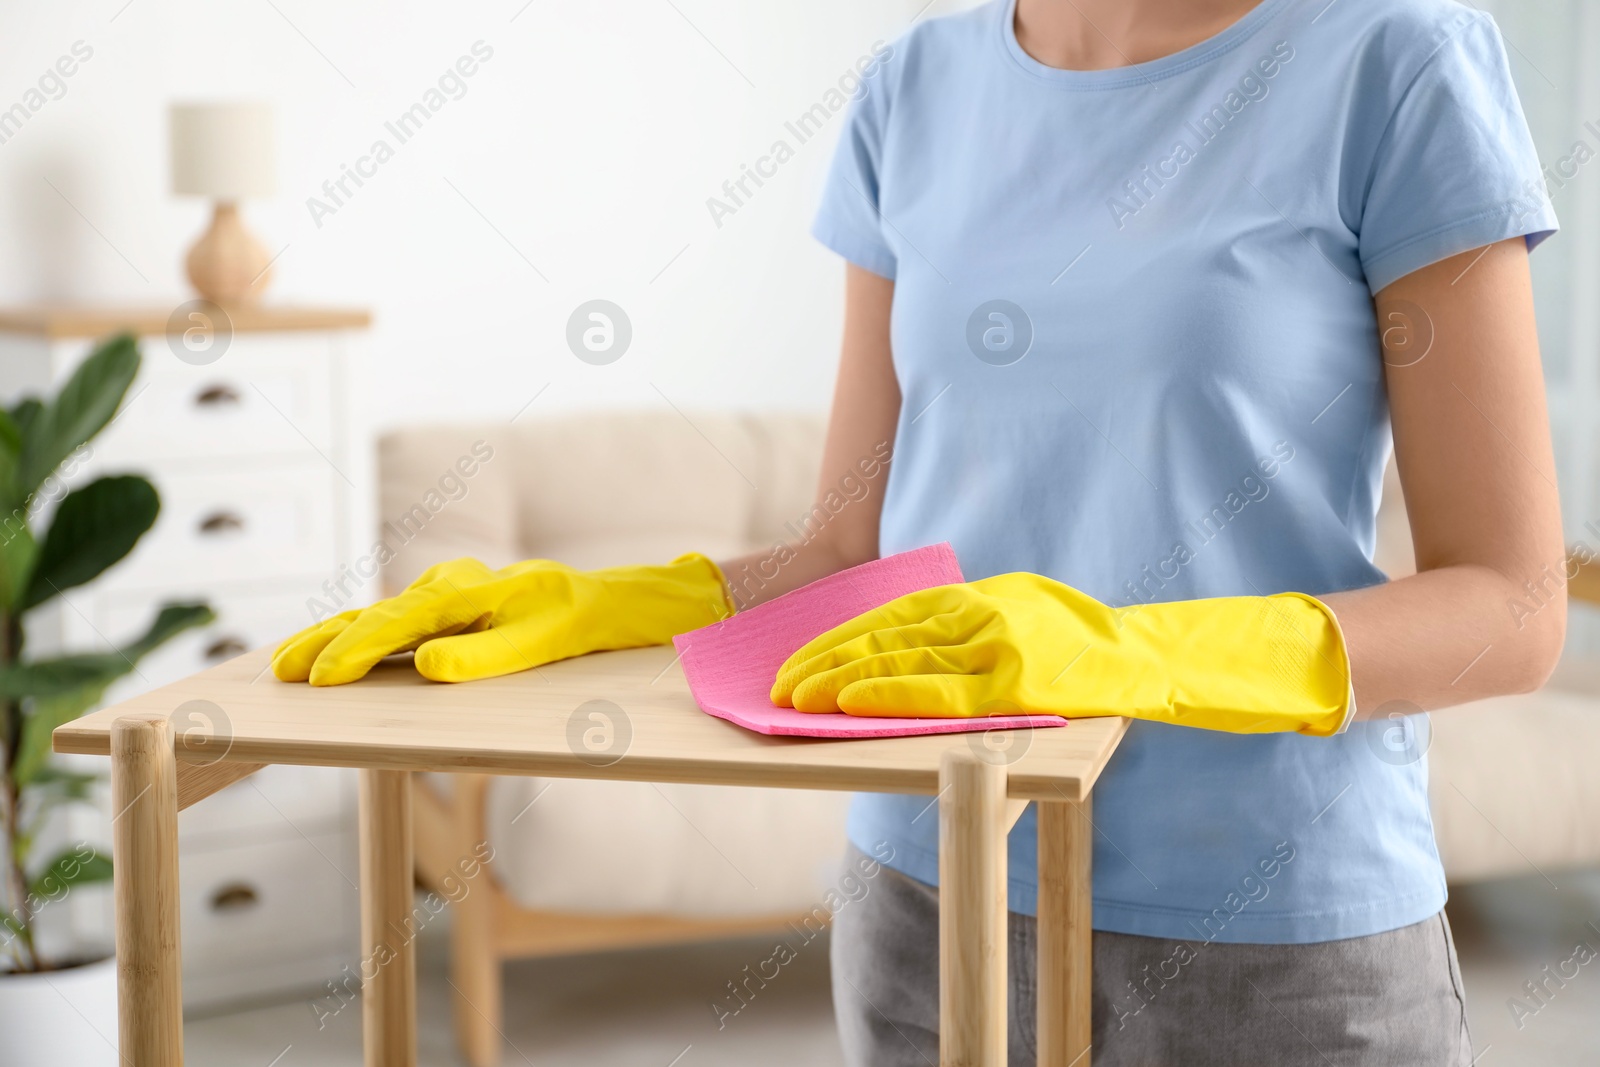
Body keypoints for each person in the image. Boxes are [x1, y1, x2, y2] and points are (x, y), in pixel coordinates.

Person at [272, 0, 1565, 1062]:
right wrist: (605, 607)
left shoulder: (1391, 57)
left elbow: (1512, 609)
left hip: (1275, 941)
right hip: (929, 902)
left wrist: (1127, 650)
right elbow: (848, 551)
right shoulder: (914, 90)